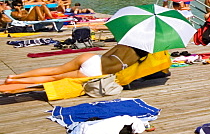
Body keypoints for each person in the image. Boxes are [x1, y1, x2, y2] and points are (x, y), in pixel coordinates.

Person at [2, 45, 147, 88]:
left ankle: (15, 76)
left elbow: (107, 54)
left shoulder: (123, 44)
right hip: (96, 71)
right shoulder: (140, 58)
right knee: (53, 78)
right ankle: (14, 82)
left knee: (56, 69)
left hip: (93, 58)